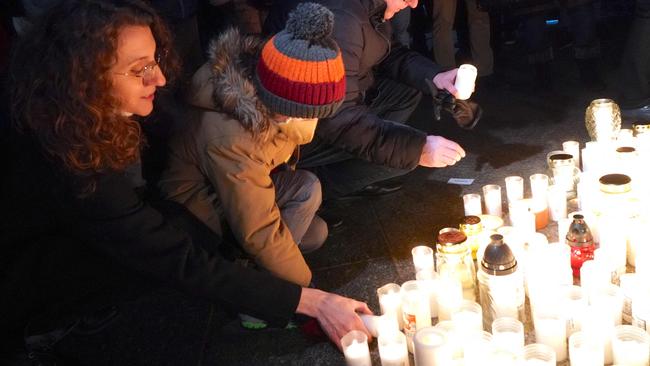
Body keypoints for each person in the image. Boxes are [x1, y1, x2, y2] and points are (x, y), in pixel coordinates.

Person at [2, 0, 371, 361]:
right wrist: (311, 301)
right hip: (21, 277)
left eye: (156, 60)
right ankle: (38, 333)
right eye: (138, 69)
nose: (160, 79)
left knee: (306, 223)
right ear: (82, 75)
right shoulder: (71, 157)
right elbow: (175, 257)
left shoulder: (77, 115)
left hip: (97, 230)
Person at [159, 3, 345, 290]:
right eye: (311, 111)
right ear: (286, 106)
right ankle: (252, 289)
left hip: (242, 186)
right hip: (198, 212)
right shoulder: (232, 135)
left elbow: (294, 132)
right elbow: (257, 229)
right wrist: (303, 297)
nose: (315, 119)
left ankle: (253, 268)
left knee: (314, 232)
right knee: (301, 203)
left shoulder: (272, 92)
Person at [264, 0, 468, 200]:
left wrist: (435, 75)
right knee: (396, 160)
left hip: (340, 106)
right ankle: (313, 186)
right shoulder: (341, 17)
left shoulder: (368, 7)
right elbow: (336, 118)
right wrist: (418, 148)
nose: (414, 4)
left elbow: (387, 51)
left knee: (404, 92)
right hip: (293, 132)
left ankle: (343, 173)